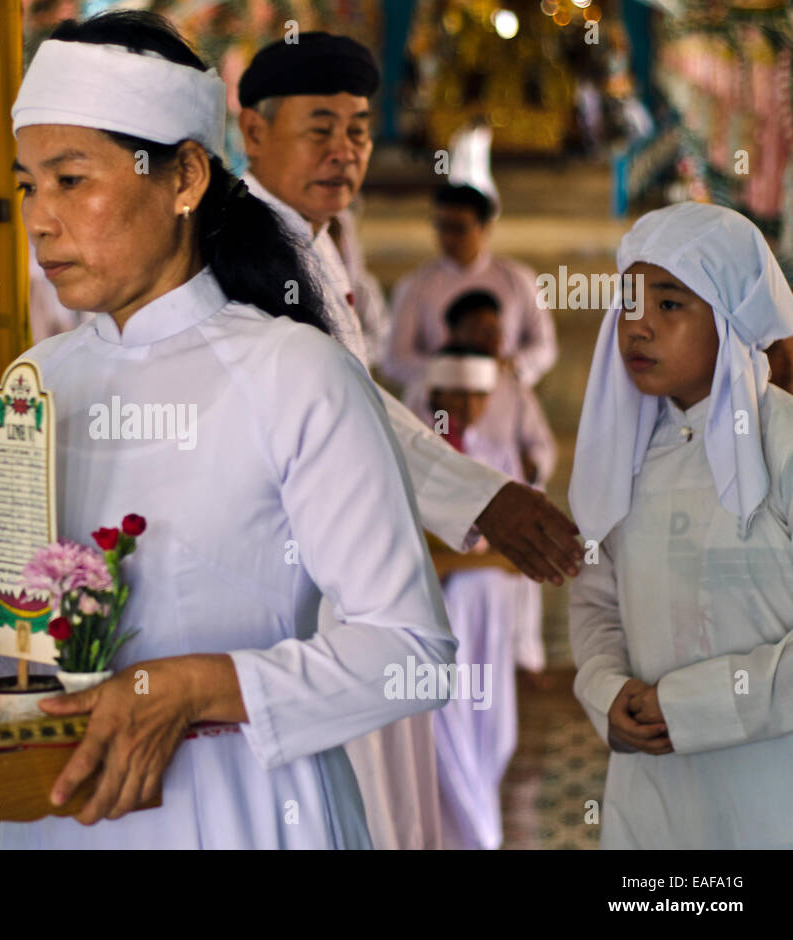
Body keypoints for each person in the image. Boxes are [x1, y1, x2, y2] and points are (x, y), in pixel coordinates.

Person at [0, 10, 457, 850]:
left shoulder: (295, 374)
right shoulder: (40, 381)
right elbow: (52, 634)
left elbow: (413, 654)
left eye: (73, 180)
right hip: (55, 809)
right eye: (30, 185)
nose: (40, 220)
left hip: (239, 807)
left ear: (184, 180)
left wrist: (200, 688)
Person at [234, 31, 582, 849]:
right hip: (294, 577)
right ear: (253, 132)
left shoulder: (312, 241)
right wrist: (483, 496)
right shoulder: (249, 249)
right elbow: (357, 403)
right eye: (318, 128)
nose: (344, 151)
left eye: (357, 130)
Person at [568, 202, 793, 849]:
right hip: (653, 792)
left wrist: (697, 706)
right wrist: (606, 691)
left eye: (669, 306)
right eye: (629, 305)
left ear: (730, 319)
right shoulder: (625, 455)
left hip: (772, 790)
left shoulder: (781, 448)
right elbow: (594, 599)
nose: (638, 328)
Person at [411, 348, 550, 849]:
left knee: (494, 730)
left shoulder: (495, 456)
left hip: (488, 616)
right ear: (435, 394)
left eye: (478, 395)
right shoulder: (418, 456)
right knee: (443, 734)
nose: (468, 406)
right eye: (457, 394)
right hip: (439, 618)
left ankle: (480, 826)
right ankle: (469, 836)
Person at [414, 289, 557, 678]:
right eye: (479, 329)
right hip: (439, 545)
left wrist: (532, 466)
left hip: (498, 530)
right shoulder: (422, 393)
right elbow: (418, 456)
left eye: (495, 330)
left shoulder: (513, 390)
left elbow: (540, 447)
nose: (468, 406)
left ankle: (518, 660)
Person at [385, 183, 557, 391]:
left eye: (458, 228)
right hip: (439, 403)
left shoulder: (518, 279)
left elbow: (545, 347)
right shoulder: (415, 285)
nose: (448, 238)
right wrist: (450, 372)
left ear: (484, 227)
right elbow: (395, 359)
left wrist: (509, 366)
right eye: (441, 226)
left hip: (504, 394)